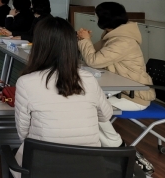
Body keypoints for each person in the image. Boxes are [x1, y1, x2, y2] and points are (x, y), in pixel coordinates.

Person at [12, 16, 115, 178]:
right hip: (89, 169)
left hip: (42, 169)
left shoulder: (26, 82)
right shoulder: (88, 79)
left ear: (39, 46)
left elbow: (23, 133)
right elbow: (106, 115)